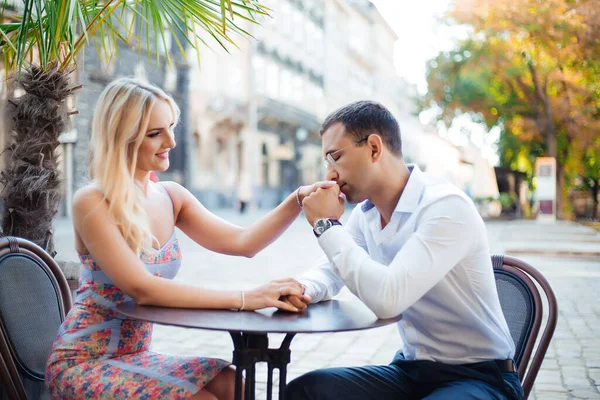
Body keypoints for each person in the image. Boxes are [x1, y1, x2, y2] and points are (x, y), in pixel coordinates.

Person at [45, 77, 331, 400]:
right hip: (83, 363)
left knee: (234, 384)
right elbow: (143, 289)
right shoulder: (92, 201)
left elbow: (245, 241)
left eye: (170, 127)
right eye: (155, 133)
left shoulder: (171, 197)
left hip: (134, 358)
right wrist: (244, 298)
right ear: (123, 137)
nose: (171, 141)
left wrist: (297, 199)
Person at [283, 101, 525, 399]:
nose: (330, 175)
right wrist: (301, 288)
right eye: (327, 163)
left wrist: (326, 225)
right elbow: (331, 271)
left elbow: (388, 299)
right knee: (307, 390)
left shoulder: (445, 207)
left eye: (335, 157)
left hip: (479, 377)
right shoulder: (366, 214)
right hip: (410, 371)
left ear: (374, 147)